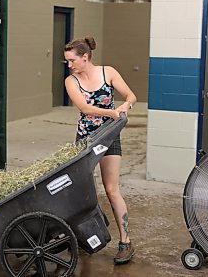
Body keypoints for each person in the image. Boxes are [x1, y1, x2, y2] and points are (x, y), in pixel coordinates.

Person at [64, 36, 137, 264]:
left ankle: (126, 242)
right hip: (86, 138)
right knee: (78, 190)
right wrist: (112, 113)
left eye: (72, 60)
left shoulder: (109, 73)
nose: (69, 64)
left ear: (85, 57)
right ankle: (82, 236)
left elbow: (131, 95)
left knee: (111, 189)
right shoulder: (71, 81)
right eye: (67, 61)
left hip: (109, 137)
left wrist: (126, 105)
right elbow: (84, 108)